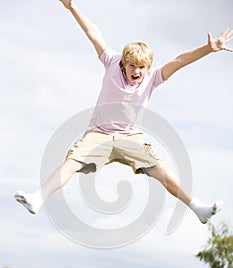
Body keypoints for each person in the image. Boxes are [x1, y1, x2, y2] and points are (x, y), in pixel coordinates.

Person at [14, 0, 233, 224]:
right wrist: (71, 7)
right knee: (71, 162)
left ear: (147, 67)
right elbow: (93, 32)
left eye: (141, 67)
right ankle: (38, 198)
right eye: (131, 66)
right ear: (123, 63)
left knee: (160, 170)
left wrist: (207, 49)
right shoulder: (111, 62)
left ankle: (198, 208)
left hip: (130, 136)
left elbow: (180, 60)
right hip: (99, 133)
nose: (136, 71)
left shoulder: (153, 77)